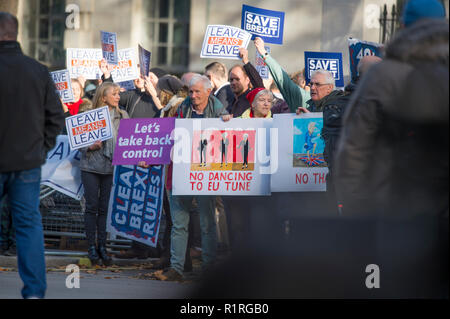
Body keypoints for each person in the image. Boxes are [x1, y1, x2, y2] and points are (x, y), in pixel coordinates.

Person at [334, 0, 448, 297]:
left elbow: (354, 147)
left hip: (393, 209)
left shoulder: (382, 76)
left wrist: (357, 209)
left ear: (403, 27)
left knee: (390, 285)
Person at [0, 12, 64, 299]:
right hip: (27, 161)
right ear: (15, 34)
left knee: (27, 224)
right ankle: (35, 292)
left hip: (21, 158)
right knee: (28, 225)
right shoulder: (37, 70)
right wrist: (40, 150)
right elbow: (55, 118)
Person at [155, 75, 228, 281]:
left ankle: (209, 268)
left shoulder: (219, 111)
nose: (193, 95)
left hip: (206, 173)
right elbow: (167, 135)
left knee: (207, 223)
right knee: (179, 223)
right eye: (191, 92)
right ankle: (177, 269)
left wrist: (228, 123)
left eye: (197, 92)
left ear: (208, 91)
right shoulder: (181, 108)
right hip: (181, 172)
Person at [79, 82, 129, 266]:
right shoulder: (88, 116)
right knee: (92, 207)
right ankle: (91, 247)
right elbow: (77, 142)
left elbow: (130, 140)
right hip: (91, 167)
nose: (118, 97)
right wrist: (89, 146)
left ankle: (103, 247)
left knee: (104, 209)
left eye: (118, 94)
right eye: (114, 94)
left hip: (111, 168)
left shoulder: (123, 115)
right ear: (103, 97)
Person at [254, 37, 311, 112]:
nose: (313, 87)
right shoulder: (299, 98)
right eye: (311, 83)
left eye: (318, 84)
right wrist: (263, 53)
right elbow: (281, 77)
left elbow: (281, 77)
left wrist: (263, 52)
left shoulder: (302, 97)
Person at [228, 48, 265, 117]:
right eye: (231, 79)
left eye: (237, 79)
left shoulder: (252, 98)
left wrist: (246, 61)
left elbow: (259, 85)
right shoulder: (229, 101)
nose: (233, 82)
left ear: (247, 80)